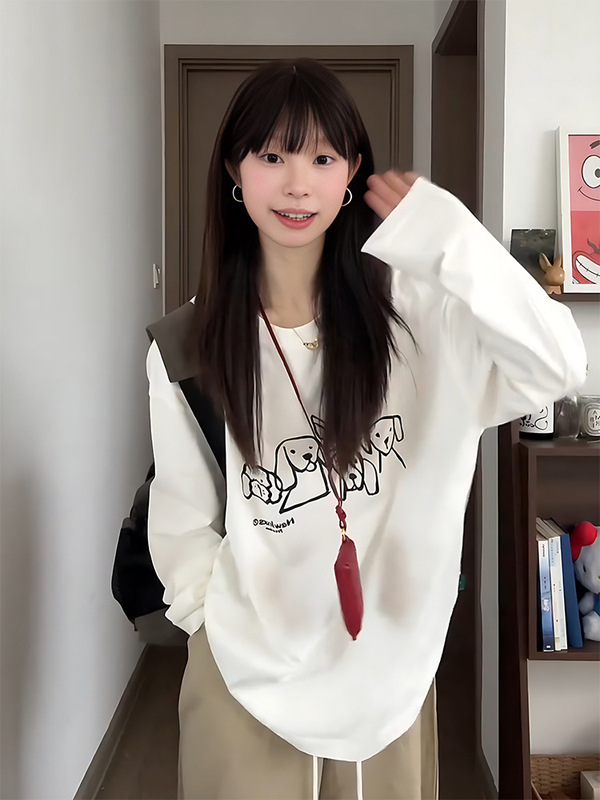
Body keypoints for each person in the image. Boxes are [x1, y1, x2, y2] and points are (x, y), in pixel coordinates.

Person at [145, 59, 587, 800]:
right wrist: (215, 627)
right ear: (234, 170)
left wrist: (449, 236)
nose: (297, 185)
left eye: (322, 159)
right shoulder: (188, 345)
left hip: (389, 686)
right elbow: (183, 520)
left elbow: (558, 364)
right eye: (272, 156)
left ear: (352, 171)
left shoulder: (423, 315)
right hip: (243, 683)